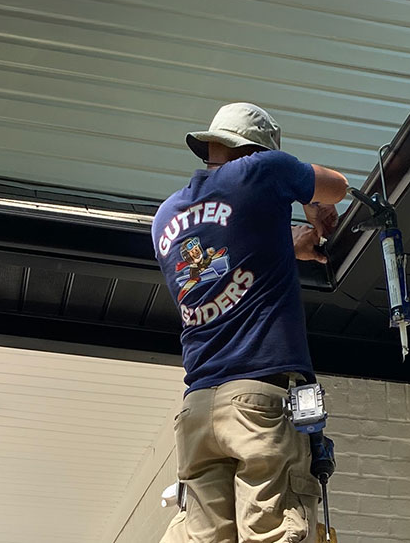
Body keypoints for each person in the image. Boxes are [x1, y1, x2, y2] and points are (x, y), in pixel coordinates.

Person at [152, 102, 348, 543]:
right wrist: (313, 205)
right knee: (274, 532)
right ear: (254, 148)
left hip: (199, 409)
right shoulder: (263, 170)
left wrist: (285, 248)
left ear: (212, 145)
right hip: (260, 400)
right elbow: (338, 186)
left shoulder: (165, 217)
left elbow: (220, 260)